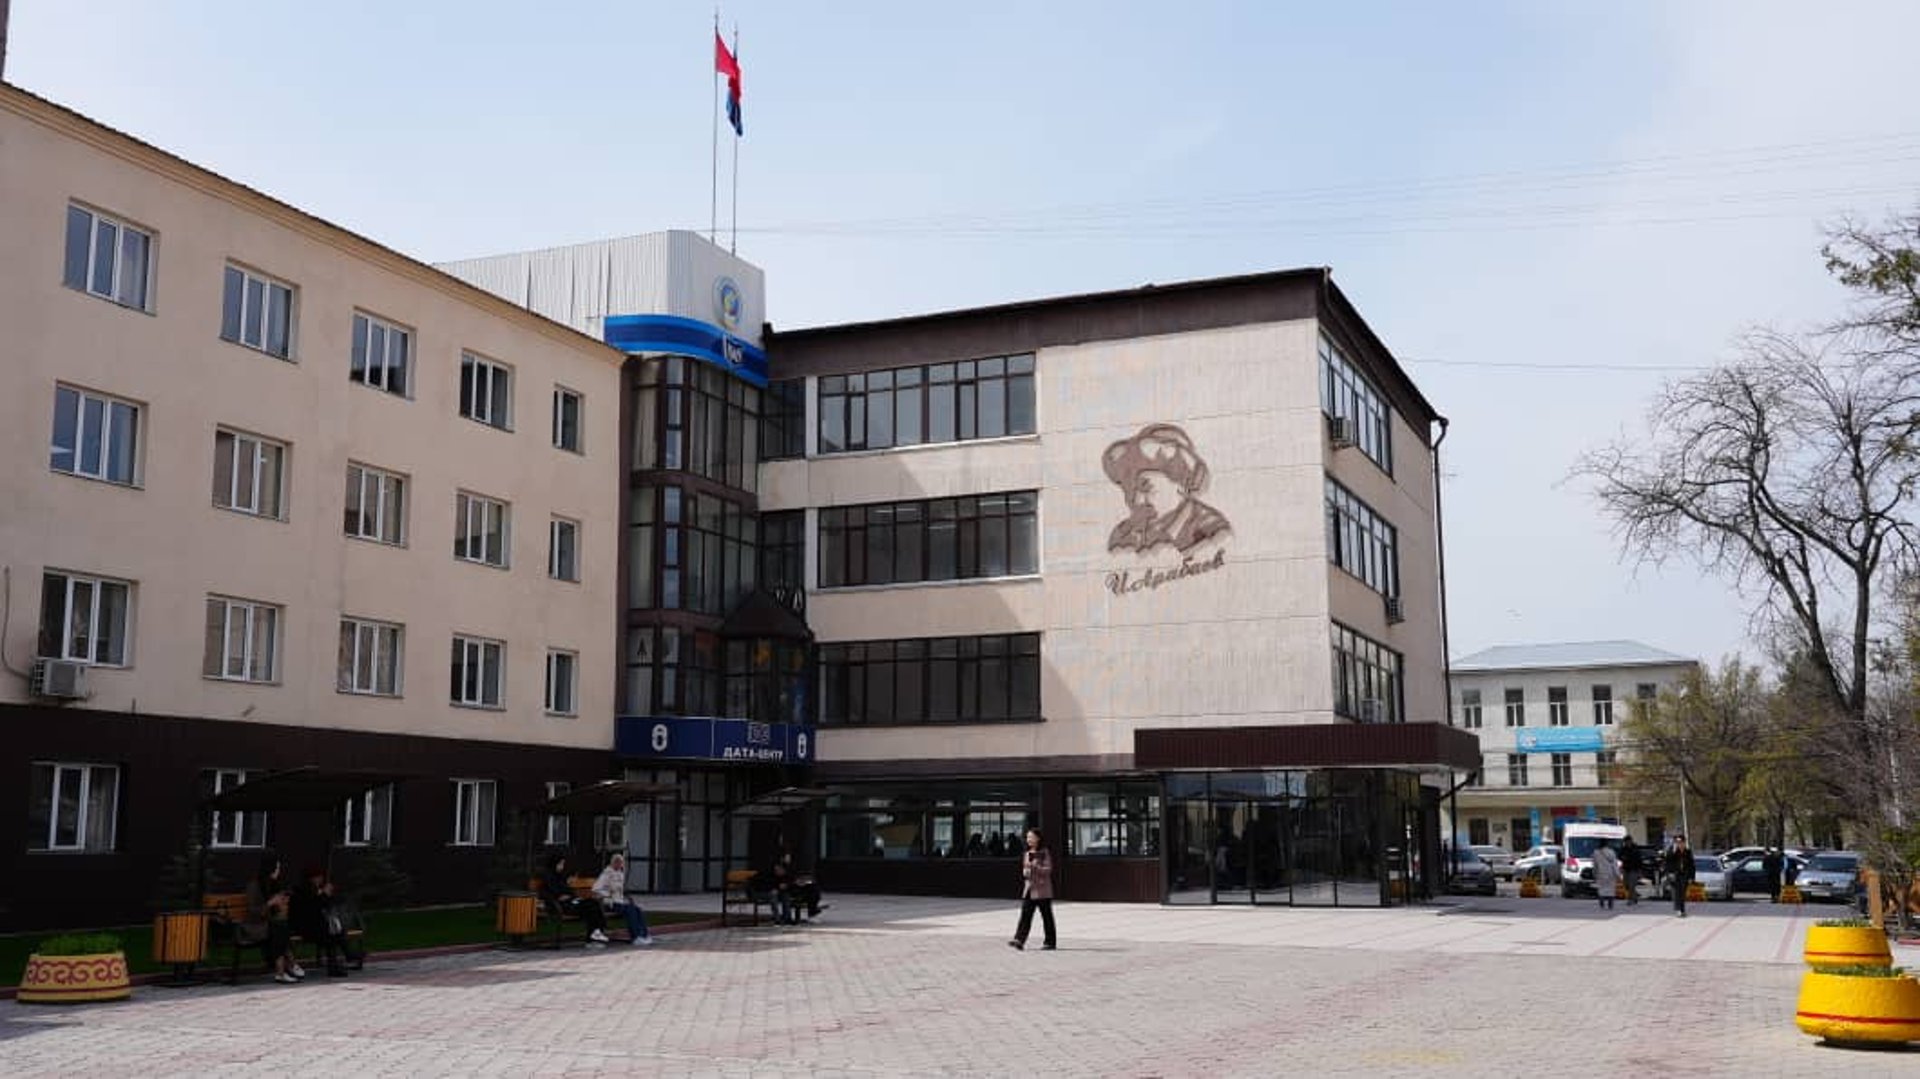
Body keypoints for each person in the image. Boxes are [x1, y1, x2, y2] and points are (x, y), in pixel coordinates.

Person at [242, 854, 300, 983]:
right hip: (254, 926)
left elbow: (277, 912)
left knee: (281, 928)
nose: (279, 871)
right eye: (277, 868)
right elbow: (253, 911)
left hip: (270, 924)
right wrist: (270, 903)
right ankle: (290, 965)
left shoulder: (273, 884)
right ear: (270, 869)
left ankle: (283, 970)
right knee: (279, 930)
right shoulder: (254, 886)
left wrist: (283, 902)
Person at [289, 863, 352, 976]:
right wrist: (323, 895)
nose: (321, 879)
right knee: (330, 933)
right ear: (312, 877)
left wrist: (326, 895)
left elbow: (325, 906)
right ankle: (342, 960)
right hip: (303, 927)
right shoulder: (302, 891)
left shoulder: (313, 889)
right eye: (319, 877)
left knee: (333, 931)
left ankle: (345, 957)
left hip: (313, 925)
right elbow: (312, 909)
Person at [538, 853, 609, 945]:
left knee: (593, 903)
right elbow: (548, 892)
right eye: (561, 864)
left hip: (571, 902)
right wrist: (559, 897)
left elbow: (569, 891)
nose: (562, 866)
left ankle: (595, 933)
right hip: (560, 906)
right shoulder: (548, 876)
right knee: (590, 907)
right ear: (555, 863)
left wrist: (570, 895)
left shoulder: (560, 876)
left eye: (563, 864)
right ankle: (594, 934)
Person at [1007, 828, 1057, 951]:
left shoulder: (1044, 852)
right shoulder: (1027, 853)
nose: (1029, 840)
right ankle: (1019, 939)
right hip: (1029, 889)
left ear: (1038, 838)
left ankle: (1050, 942)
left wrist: (1035, 866)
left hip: (1042, 891)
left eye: (1031, 837)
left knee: (1046, 917)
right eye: (1027, 837)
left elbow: (1048, 870)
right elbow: (1026, 870)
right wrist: (1026, 871)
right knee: (1025, 915)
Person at [591, 853, 654, 946]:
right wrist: (608, 894)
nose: (620, 865)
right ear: (613, 863)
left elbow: (621, 890)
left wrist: (624, 896)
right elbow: (596, 889)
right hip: (610, 903)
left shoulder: (620, 873)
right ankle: (636, 937)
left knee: (637, 910)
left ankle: (644, 935)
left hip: (619, 902)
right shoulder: (606, 874)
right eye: (618, 863)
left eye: (621, 863)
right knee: (630, 911)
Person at [1664, 835, 1696, 918]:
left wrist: (1691, 877)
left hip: (1684, 875)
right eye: (1677, 842)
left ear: (1684, 843)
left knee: (1682, 894)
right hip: (1674, 875)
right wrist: (1668, 874)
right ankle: (1678, 910)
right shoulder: (1671, 851)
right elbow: (1667, 863)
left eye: (1681, 842)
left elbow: (1692, 866)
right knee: (1676, 893)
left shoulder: (1687, 852)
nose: (1679, 844)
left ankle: (1682, 909)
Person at [1592, 841, 1621, 912]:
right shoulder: (1611, 852)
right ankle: (1610, 904)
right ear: (1607, 844)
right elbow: (1614, 864)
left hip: (1601, 873)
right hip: (1610, 873)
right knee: (1611, 889)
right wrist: (1617, 874)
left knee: (1601, 889)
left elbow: (1595, 865)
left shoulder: (1596, 853)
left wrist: (1594, 873)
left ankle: (1602, 902)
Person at [1620, 841, 1644, 907]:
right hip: (1626, 869)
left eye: (1627, 842)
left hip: (1634, 869)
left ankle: (1630, 899)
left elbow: (1639, 861)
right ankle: (1635, 896)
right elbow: (1619, 856)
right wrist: (1623, 858)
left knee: (1631, 885)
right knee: (1626, 884)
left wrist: (1640, 871)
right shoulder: (1624, 849)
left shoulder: (1635, 850)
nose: (1626, 844)